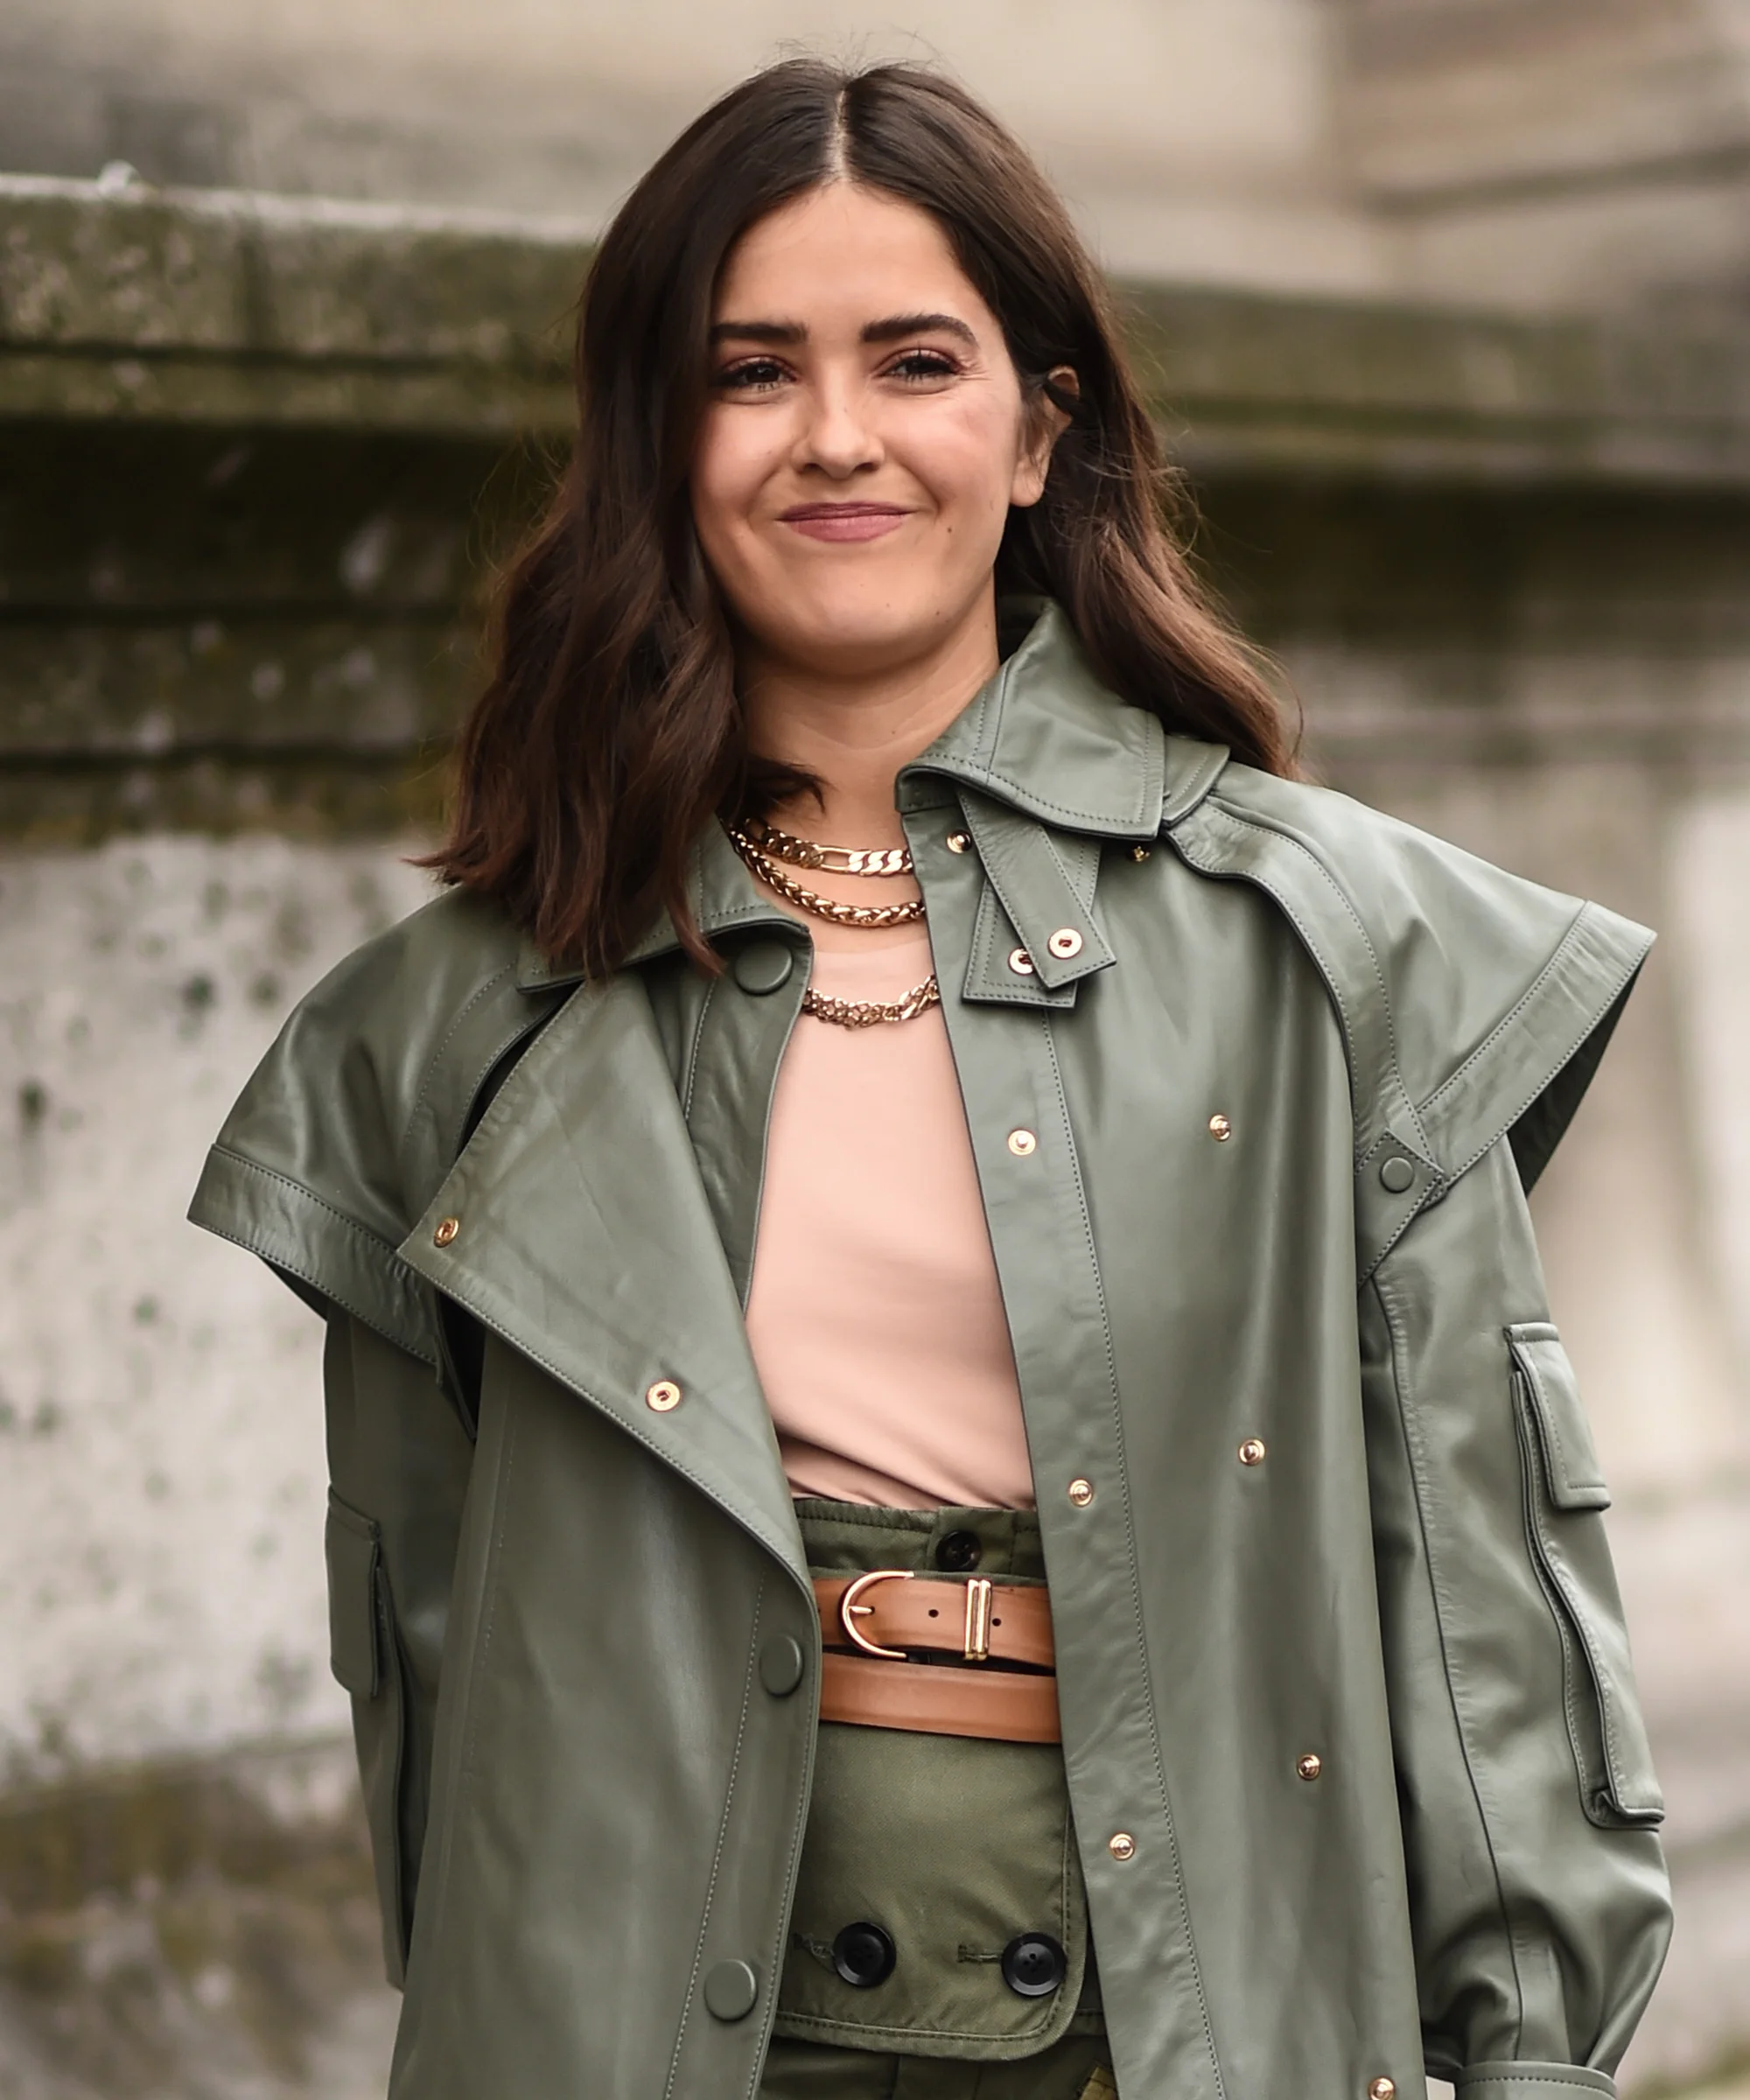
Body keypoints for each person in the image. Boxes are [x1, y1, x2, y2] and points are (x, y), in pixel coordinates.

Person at [189, 58, 1672, 2100]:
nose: (837, 438)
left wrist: (1536, 2063)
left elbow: (1483, 1618)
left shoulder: (1329, 948)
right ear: (657, 437)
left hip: (1178, 2026)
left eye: (913, 359)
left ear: (1038, 422)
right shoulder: (445, 1032)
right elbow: (443, 1703)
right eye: (750, 369)